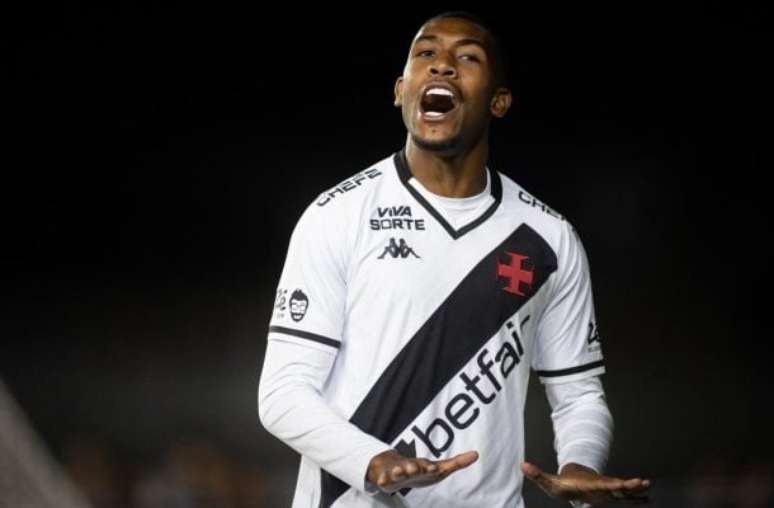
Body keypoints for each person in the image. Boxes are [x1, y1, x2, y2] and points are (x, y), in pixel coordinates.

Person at [258, 11, 651, 508]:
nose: (441, 64)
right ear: (400, 90)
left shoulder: (548, 238)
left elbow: (579, 395)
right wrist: (372, 460)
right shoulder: (338, 215)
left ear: (499, 101)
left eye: (467, 57)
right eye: (425, 53)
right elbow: (283, 394)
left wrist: (581, 464)